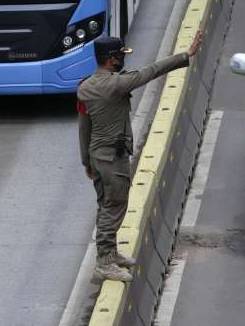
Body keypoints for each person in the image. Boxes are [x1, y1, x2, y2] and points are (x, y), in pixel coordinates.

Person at [78, 31, 202, 282]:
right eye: (120, 56)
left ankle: (110, 254)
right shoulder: (116, 84)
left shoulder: (85, 88)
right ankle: (104, 262)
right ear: (111, 59)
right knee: (114, 208)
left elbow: (84, 128)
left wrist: (86, 162)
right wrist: (184, 56)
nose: (122, 60)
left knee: (105, 205)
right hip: (114, 159)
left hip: (97, 157)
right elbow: (151, 71)